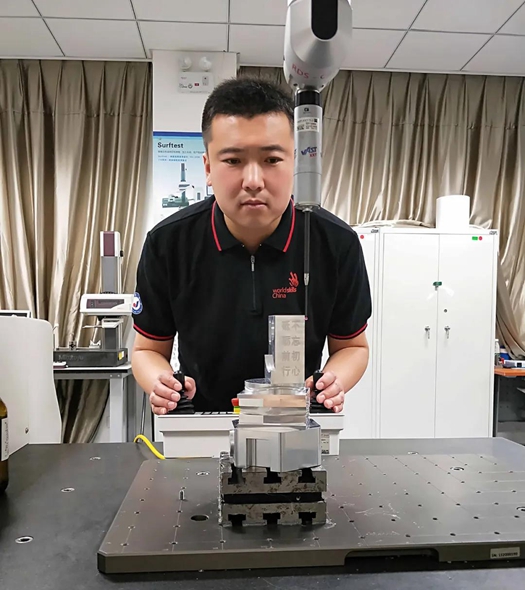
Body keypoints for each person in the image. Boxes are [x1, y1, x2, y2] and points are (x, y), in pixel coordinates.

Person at [131, 77, 371, 416]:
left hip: (295, 422)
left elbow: (353, 346)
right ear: (208, 168)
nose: (254, 181)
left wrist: (333, 381)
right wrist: (162, 383)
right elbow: (147, 350)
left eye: (271, 159)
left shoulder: (336, 243)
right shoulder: (168, 243)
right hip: (201, 424)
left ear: (295, 163)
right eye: (233, 161)